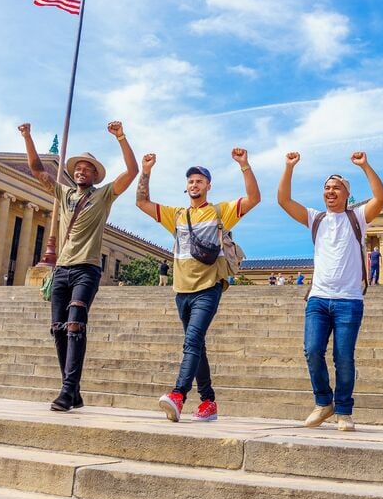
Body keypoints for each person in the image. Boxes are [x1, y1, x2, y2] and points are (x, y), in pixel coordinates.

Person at [20, 120, 138, 413]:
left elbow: (132, 172)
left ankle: (67, 390)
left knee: (75, 325)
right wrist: (28, 136)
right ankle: (74, 392)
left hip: (87, 269)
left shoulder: (103, 195)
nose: (80, 171)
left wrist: (121, 138)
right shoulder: (63, 194)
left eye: (87, 169)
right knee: (58, 329)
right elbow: (37, 170)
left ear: (95, 175)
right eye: (77, 168)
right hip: (60, 269)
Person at [136, 148, 260, 423]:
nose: (194, 184)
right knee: (196, 345)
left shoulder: (221, 211)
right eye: (191, 181)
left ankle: (178, 394)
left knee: (191, 341)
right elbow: (142, 202)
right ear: (187, 186)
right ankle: (208, 401)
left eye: (200, 181)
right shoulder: (177, 215)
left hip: (209, 287)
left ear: (208, 186)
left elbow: (254, 198)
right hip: (181, 290)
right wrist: (145, 171)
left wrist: (244, 165)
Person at [278, 150, 383, 432]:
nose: (330, 191)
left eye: (336, 187)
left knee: (343, 357)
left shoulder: (358, 217)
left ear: (346, 194)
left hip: (349, 300)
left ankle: (344, 411)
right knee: (312, 350)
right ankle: (323, 401)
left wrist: (365, 166)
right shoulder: (316, 219)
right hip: (318, 298)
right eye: (326, 188)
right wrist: (289, 168)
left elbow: (381, 198)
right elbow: (284, 201)